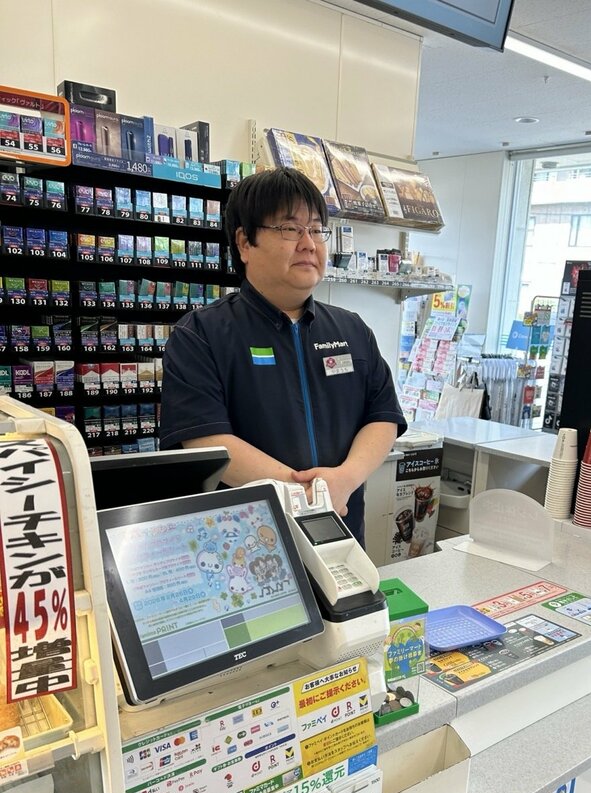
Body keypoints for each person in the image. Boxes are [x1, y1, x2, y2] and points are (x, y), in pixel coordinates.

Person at [159, 166, 406, 547]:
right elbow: (204, 438)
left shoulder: (352, 330)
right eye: (290, 228)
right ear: (244, 242)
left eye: (317, 229)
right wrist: (302, 493)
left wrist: (344, 479)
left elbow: (383, 417)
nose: (308, 243)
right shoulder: (200, 334)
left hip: (339, 531)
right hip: (243, 543)